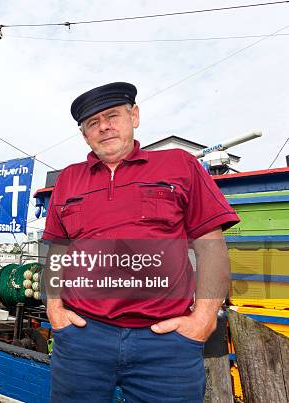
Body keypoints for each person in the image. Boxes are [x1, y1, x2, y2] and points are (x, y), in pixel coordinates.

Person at [43, 82, 240, 402]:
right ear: (84, 135)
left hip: (165, 345)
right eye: (92, 122)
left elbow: (211, 246)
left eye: (112, 116)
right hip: (82, 339)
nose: (104, 126)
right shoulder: (68, 178)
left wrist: (203, 319)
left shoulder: (179, 164)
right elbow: (57, 252)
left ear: (134, 116)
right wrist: (54, 308)